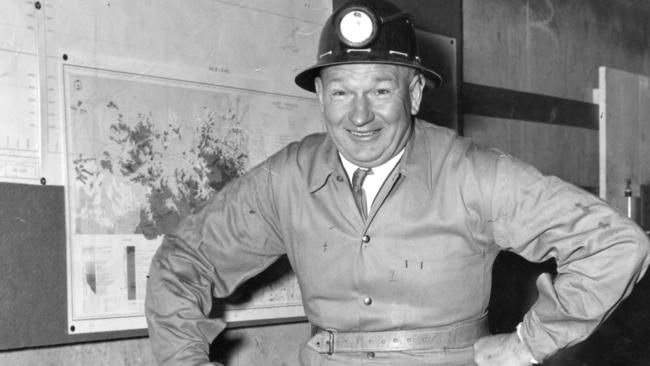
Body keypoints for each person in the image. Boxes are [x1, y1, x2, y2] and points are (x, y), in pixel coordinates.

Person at [145, 0, 650, 365]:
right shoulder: (286, 179)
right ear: (320, 97)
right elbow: (183, 261)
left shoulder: (473, 174)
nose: (359, 115)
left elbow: (616, 243)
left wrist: (528, 343)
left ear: (412, 96)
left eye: (381, 89)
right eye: (342, 92)